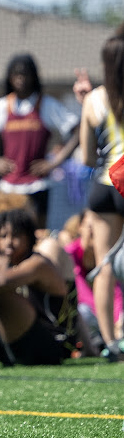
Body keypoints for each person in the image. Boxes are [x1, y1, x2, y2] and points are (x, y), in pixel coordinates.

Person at [0, 208, 84, 365]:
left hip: (52, 348)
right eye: (3, 236)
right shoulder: (1, 262)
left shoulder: (38, 264)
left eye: (16, 235)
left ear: (29, 237)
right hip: (12, 347)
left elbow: (0, 282)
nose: (9, 241)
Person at [0, 53, 80, 228]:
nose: (20, 79)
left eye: (25, 74)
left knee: (35, 237)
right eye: (16, 74)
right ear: (10, 77)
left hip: (37, 185)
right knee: (7, 236)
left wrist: (55, 162)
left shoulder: (46, 105)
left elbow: (78, 130)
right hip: (8, 187)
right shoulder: (3, 105)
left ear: (33, 76)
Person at [79, 23, 124, 361]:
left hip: (101, 187)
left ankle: (109, 342)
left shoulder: (93, 99)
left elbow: (84, 156)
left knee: (105, 264)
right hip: (122, 182)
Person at [63, 210, 122, 353]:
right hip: (83, 317)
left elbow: (116, 290)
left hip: (107, 319)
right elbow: (81, 292)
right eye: (90, 227)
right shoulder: (69, 253)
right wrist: (111, 322)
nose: (95, 232)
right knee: (83, 312)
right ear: (79, 227)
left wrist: (120, 317)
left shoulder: (107, 257)